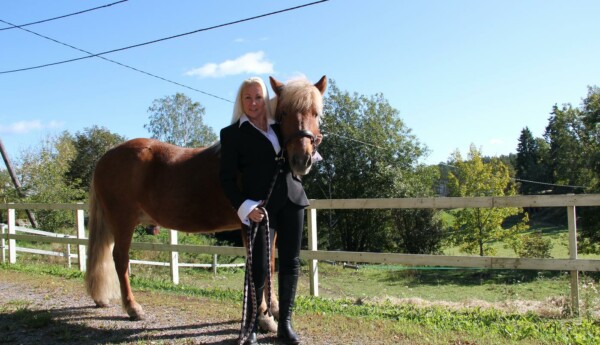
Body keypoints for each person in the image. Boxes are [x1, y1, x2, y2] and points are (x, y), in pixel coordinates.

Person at [219, 77, 308, 345]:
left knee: (290, 263)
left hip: (293, 200)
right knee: (257, 266)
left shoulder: (280, 126)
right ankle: (249, 327)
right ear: (241, 101)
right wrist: (245, 208)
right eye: (248, 98)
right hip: (261, 209)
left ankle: (286, 324)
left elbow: (298, 156)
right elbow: (226, 179)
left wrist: (314, 146)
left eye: (259, 97)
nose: (254, 103)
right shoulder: (232, 134)